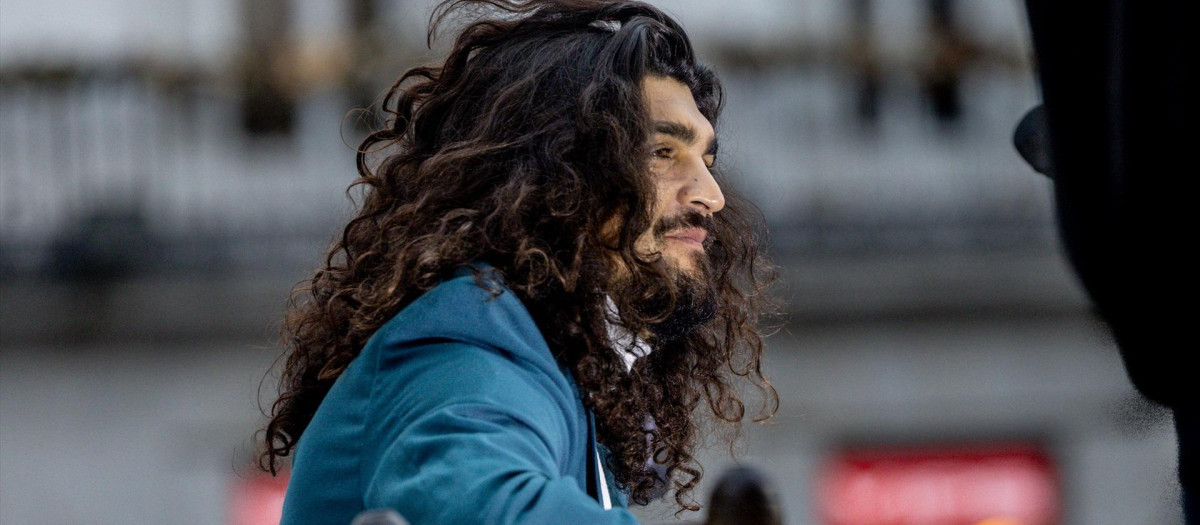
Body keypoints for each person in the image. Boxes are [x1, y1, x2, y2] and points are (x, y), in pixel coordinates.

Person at [258, 1, 778, 523]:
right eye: (661, 152)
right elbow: (487, 505)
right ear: (556, 170)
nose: (712, 195)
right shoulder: (469, 332)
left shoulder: (549, 350)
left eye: (707, 162)